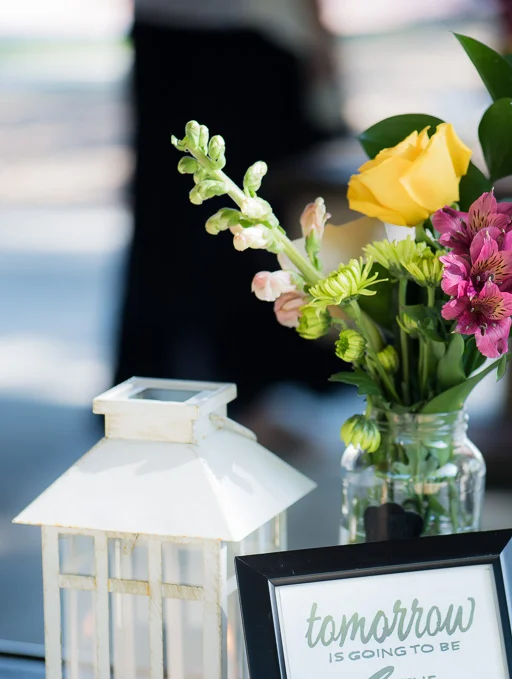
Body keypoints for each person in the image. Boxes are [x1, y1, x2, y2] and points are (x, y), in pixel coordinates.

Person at [116, 0, 343, 417]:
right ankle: (243, 401)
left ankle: (204, 396)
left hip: (191, 28)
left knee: (206, 223)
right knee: (238, 226)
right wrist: (316, 33)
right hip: (239, 30)